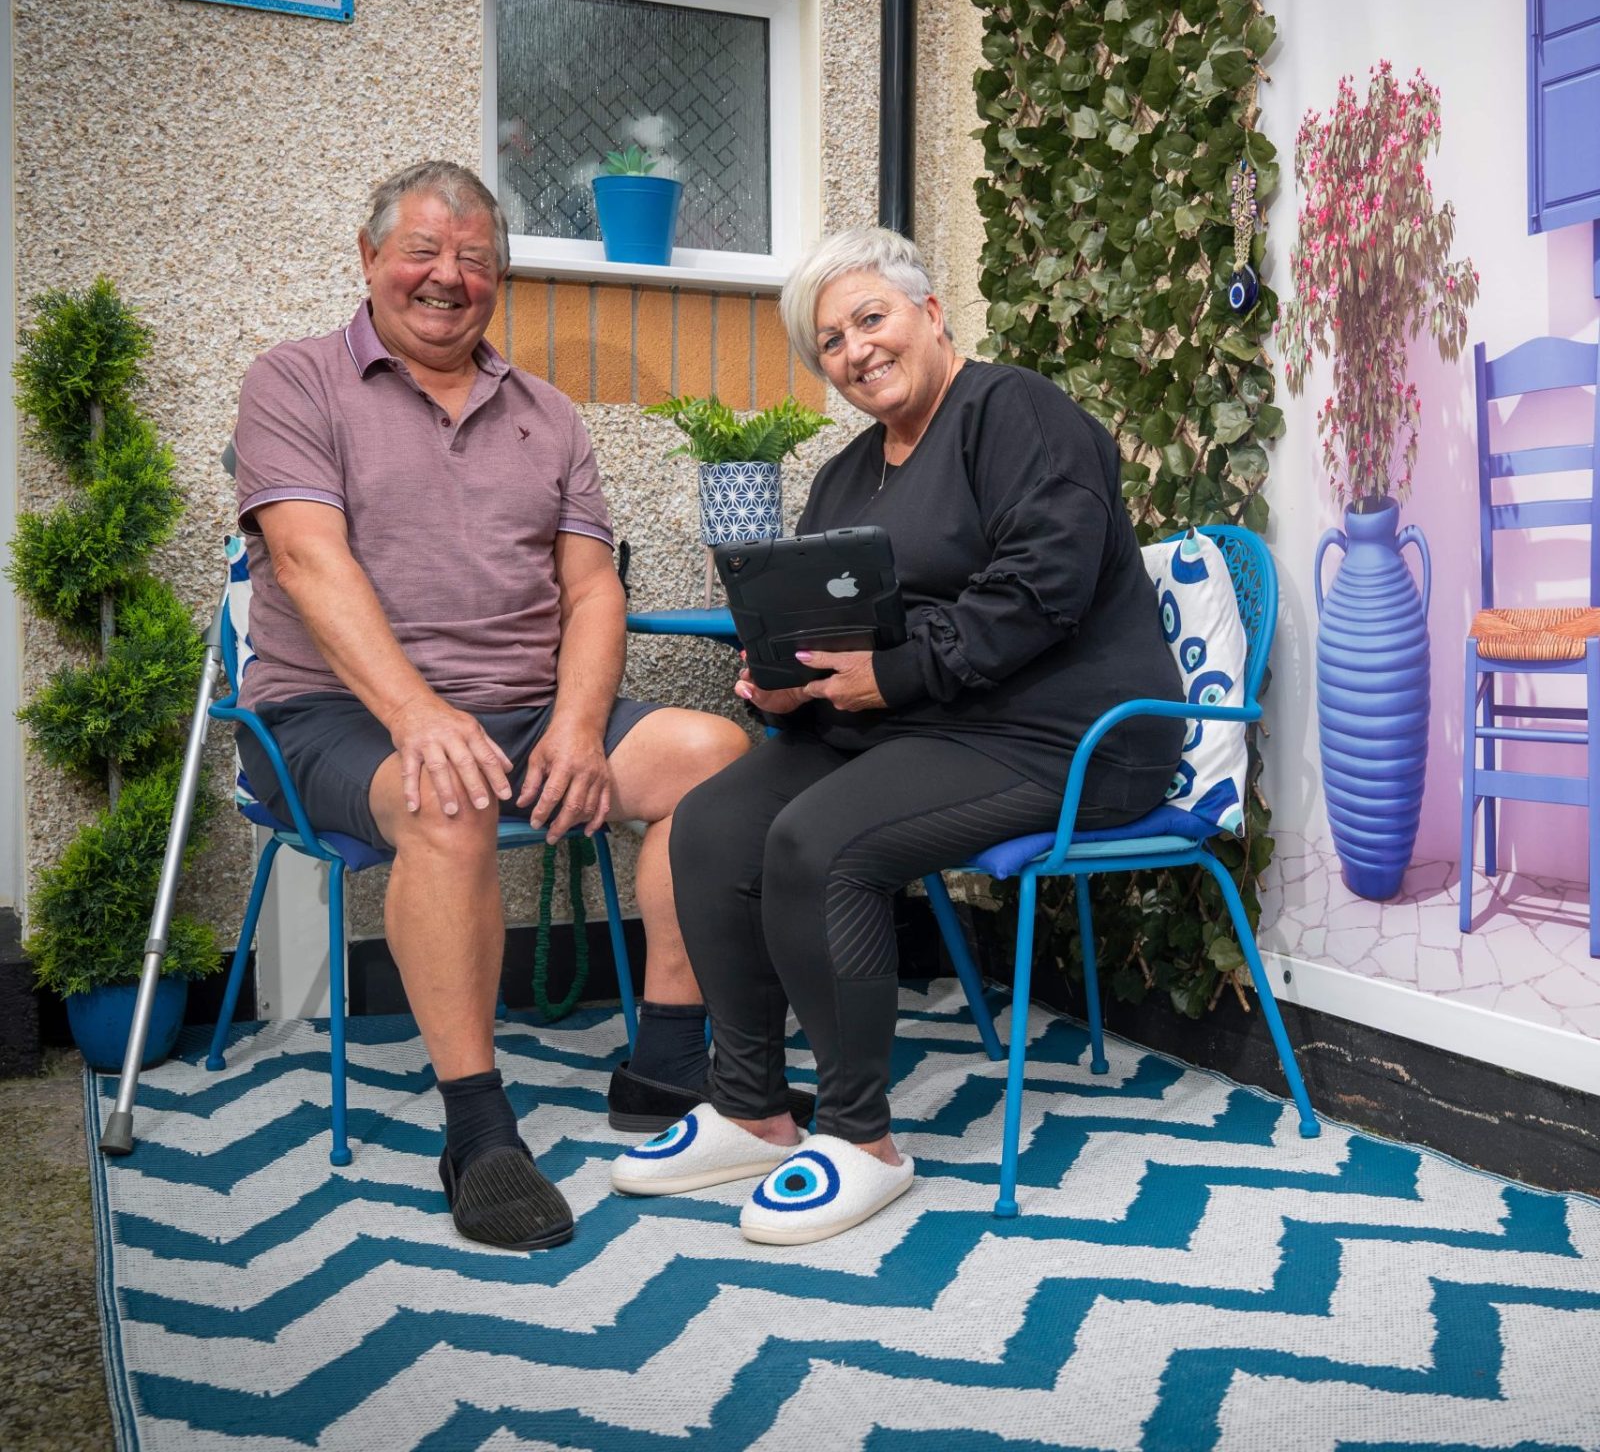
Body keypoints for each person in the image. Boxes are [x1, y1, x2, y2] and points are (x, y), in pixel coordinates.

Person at [610, 227, 1184, 1244]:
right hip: (917, 727)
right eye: (828, 341)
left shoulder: (1017, 415)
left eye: (869, 318)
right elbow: (842, 635)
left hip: (1061, 736)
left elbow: (1038, 593)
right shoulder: (844, 476)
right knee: (709, 825)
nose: (855, 350)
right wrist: (788, 687)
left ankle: (859, 1134)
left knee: (819, 844)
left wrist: (890, 674)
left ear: (928, 312)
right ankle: (750, 1103)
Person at [232, 160, 749, 1251]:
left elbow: (592, 586)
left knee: (715, 752)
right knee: (449, 789)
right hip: (340, 713)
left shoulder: (549, 416)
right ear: (368, 260)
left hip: (521, 706)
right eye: (422, 250)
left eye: (475, 259)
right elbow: (304, 556)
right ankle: (477, 1126)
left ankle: (662, 1062)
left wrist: (573, 721)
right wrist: (419, 714)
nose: (446, 276)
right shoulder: (295, 383)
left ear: (499, 281)